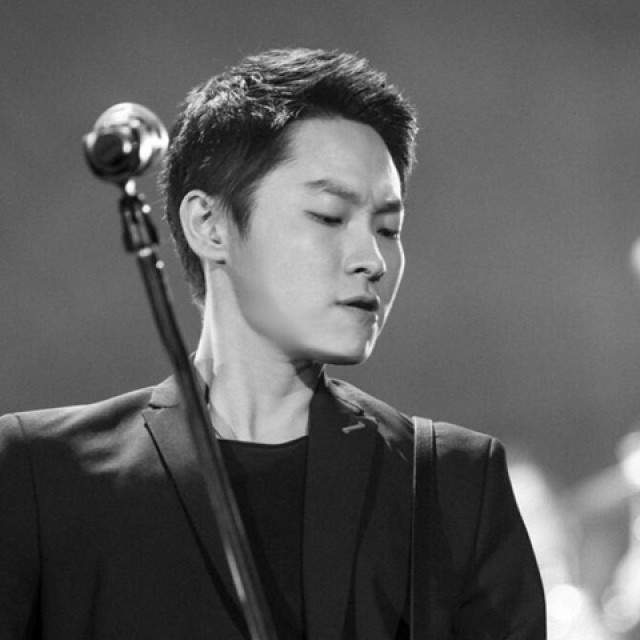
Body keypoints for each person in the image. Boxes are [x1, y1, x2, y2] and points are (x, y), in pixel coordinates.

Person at [0, 48, 545, 639]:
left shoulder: (451, 482)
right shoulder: (40, 474)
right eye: (330, 216)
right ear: (209, 225)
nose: (373, 259)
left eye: (389, 228)